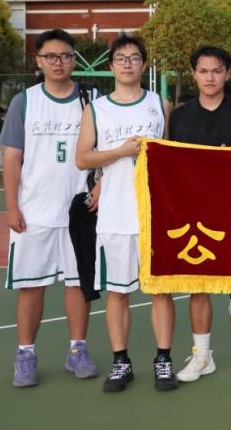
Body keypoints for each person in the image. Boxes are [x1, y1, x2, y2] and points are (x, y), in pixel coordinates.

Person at [75, 34, 177, 392]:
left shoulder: (159, 105)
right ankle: (121, 361)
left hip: (154, 215)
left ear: (144, 64)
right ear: (111, 66)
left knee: (160, 291)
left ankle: (163, 360)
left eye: (134, 58)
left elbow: (173, 156)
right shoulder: (96, 109)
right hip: (116, 215)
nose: (128, 64)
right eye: (121, 58)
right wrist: (120, 152)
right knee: (118, 293)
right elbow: (83, 158)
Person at [0, 29, 99, 387]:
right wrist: (12, 206)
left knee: (78, 284)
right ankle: (25, 354)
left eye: (66, 55)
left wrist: (99, 185)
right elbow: (12, 159)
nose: (59, 62)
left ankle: (78, 350)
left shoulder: (90, 99)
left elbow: (104, 148)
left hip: (78, 210)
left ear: (74, 59)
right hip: (34, 211)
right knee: (31, 286)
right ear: (38, 61)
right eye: (51, 56)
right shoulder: (24, 102)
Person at [168, 47, 231, 385]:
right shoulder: (178, 117)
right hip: (193, 213)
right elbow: (171, 165)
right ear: (194, 74)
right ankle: (202, 355)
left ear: (227, 74)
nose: (210, 77)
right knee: (199, 286)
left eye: (217, 70)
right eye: (204, 70)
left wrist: (230, 165)